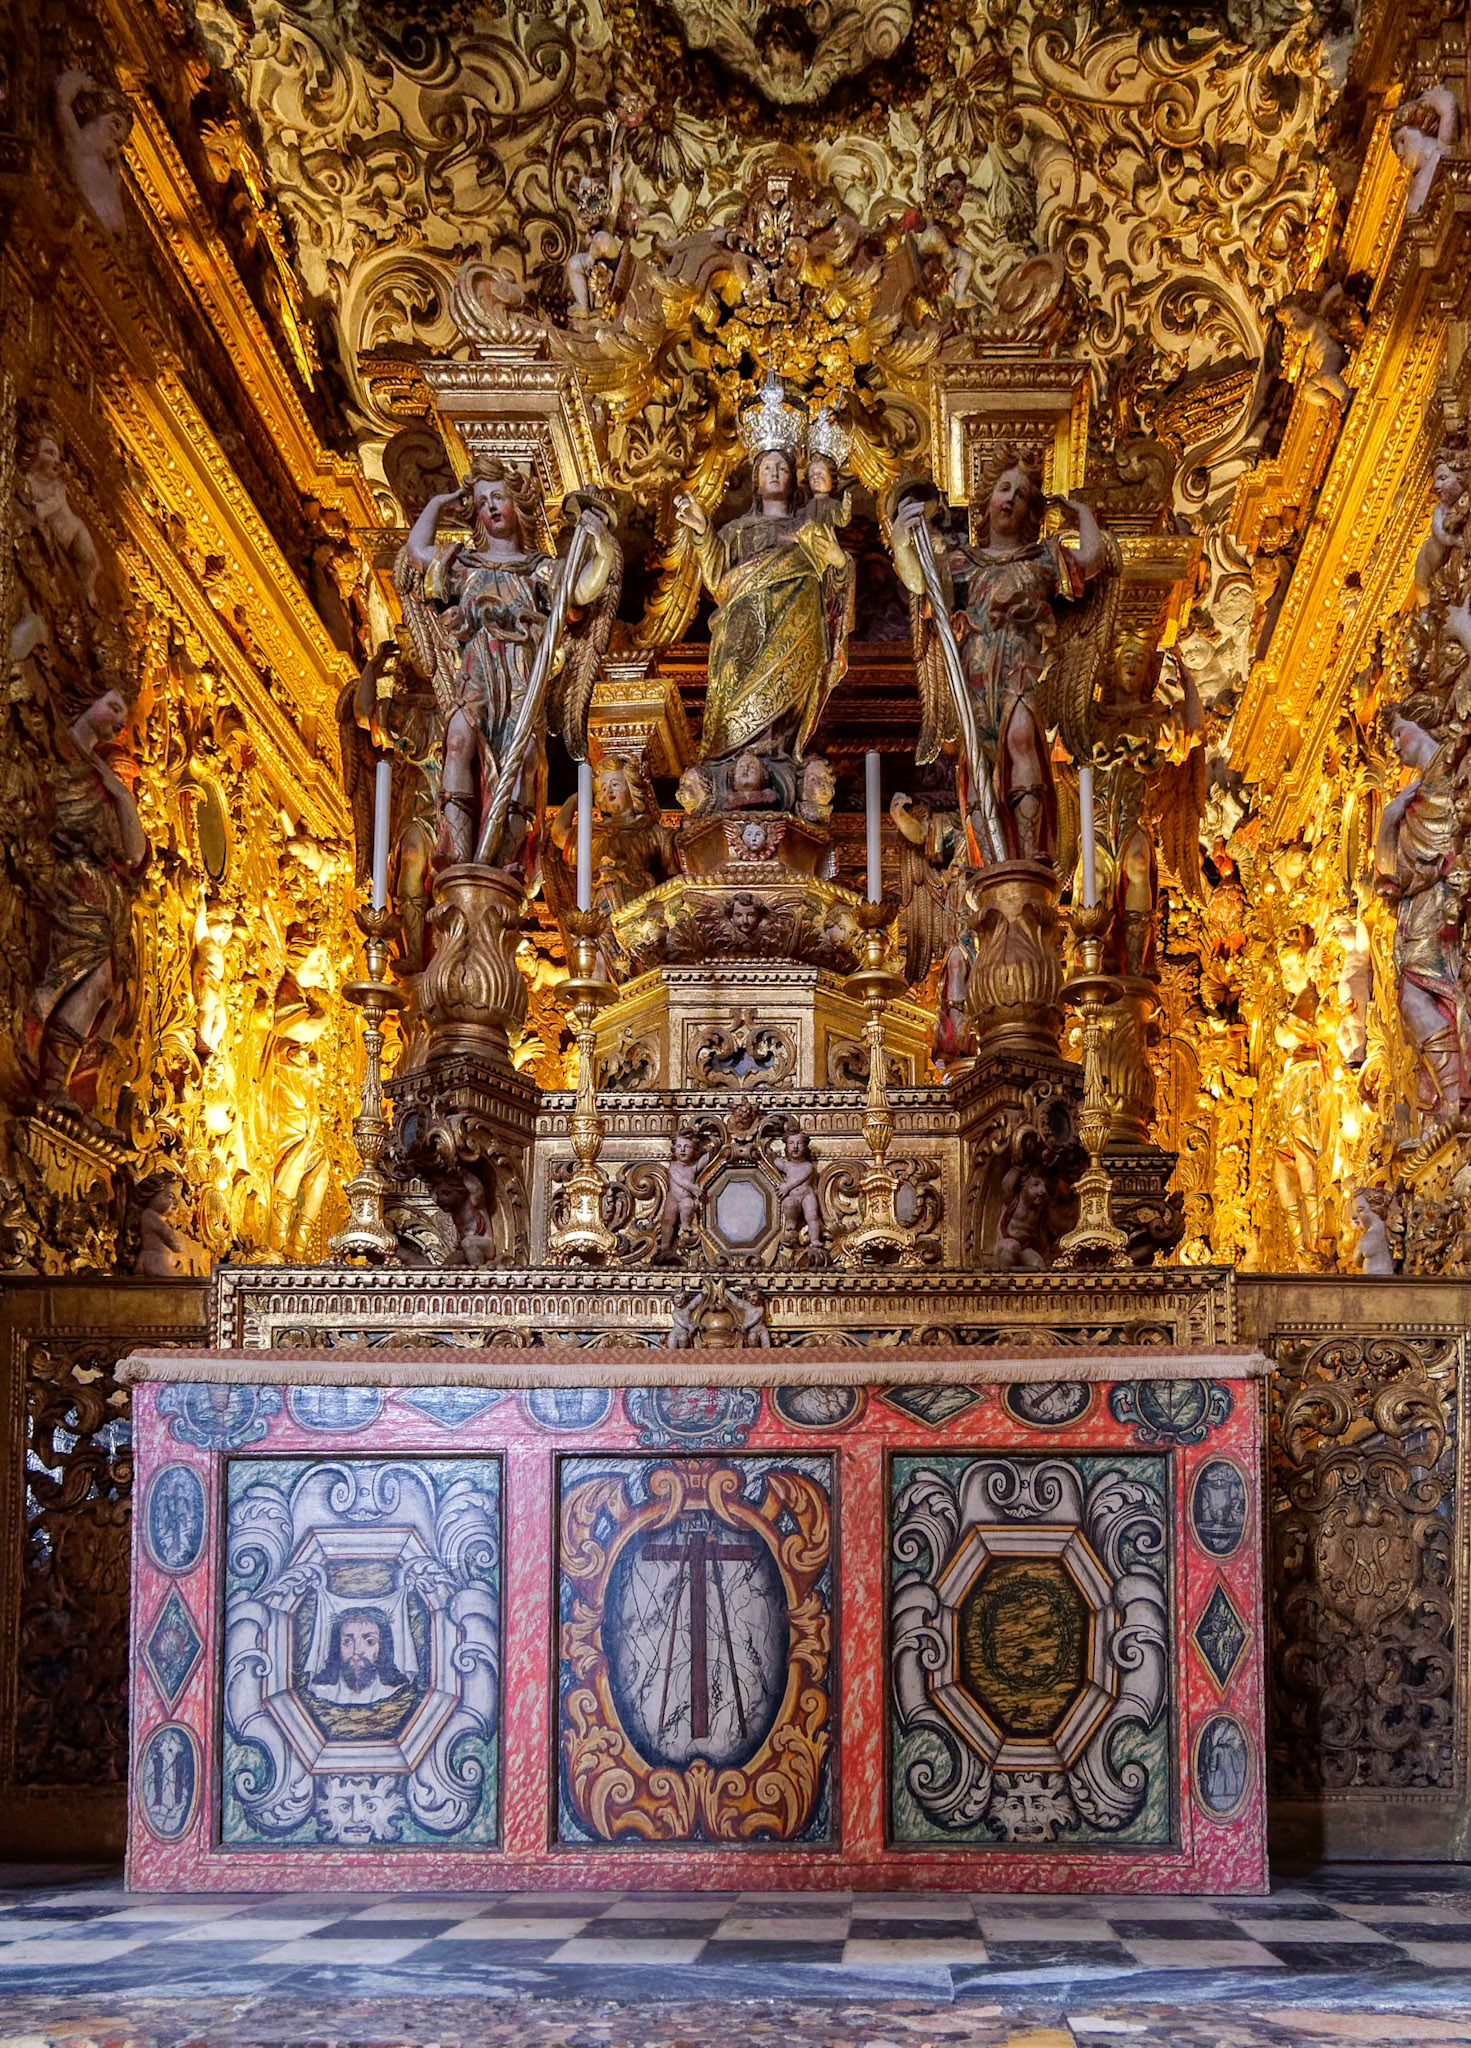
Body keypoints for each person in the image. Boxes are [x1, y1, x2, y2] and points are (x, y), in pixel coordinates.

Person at [396, 459, 619, 869]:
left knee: (522, 762)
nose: (491, 508)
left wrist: (601, 543)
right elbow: (416, 552)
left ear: (519, 503)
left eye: (499, 497)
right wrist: (439, 503)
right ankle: (460, 850)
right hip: (477, 671)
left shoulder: (541, 571)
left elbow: (585, 588)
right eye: (482, 502)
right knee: (459, 740)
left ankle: (504, 852)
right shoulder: (465, 566)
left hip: (520, 675)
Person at [674, 376, 854, 767]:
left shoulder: (811, 529)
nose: (774, 473)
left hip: (798, 627)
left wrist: (839, 564)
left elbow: (834, 590)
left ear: (794, 479)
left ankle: (779, 757)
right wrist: (703, 531)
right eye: (767, 467)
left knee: (783, 715)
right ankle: (736, 764)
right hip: (741, 634)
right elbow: (718, 580)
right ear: (755, 479)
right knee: (737, 714)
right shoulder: (735, 532)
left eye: (782, 468)